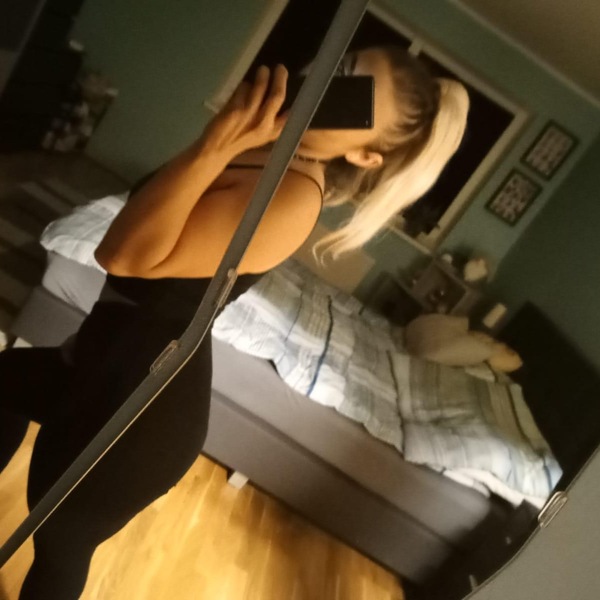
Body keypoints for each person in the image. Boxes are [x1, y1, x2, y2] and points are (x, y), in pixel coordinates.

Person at [0, 46, 469, 598]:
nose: (325, 83)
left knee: (57, 550)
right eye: (343, 68)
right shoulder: (267, 149)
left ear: (364, 155)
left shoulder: (294, 197)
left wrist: (216, 142)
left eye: (354, 98)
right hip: (109, 362)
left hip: (140, 417)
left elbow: (124, 256)